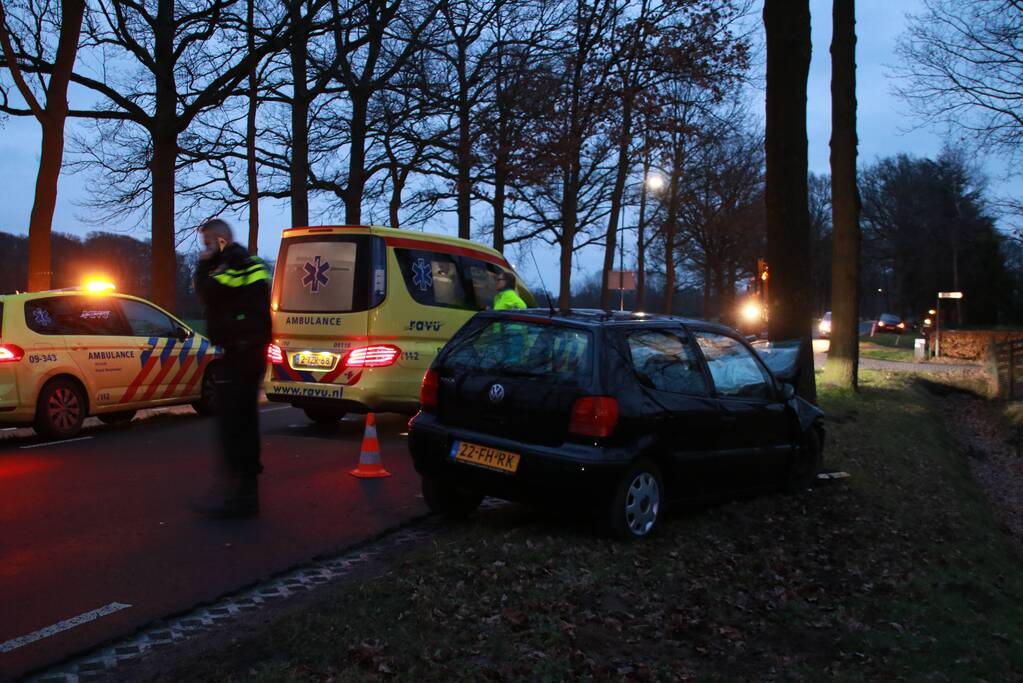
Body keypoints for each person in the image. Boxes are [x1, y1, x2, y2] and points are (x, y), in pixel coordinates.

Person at [193, 218, 272, 517]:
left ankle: (242, 495)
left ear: (221, 239)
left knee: (235, 424)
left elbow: (208, 293)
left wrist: (206, 262)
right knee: (239, 422)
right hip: (243, 351)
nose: (206, 248)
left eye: (208, 242)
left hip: (242, 352)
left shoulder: (235, 263)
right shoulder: (243, 262)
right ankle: (241, 491)